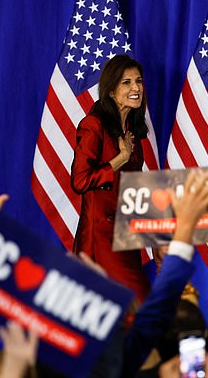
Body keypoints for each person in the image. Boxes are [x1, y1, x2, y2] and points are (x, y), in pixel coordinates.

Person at [70, 54, 151, 302]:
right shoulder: (93, 125)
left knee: (128, 314)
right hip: (101, 240)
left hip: (128, 238)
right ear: (111, 91)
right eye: (126, 82)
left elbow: (135, 191)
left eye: (138, 81)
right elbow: (80, 181)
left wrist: (156, 244)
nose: (135, 88)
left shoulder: (134, 131)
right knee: (136, 308)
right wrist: (119, 159)